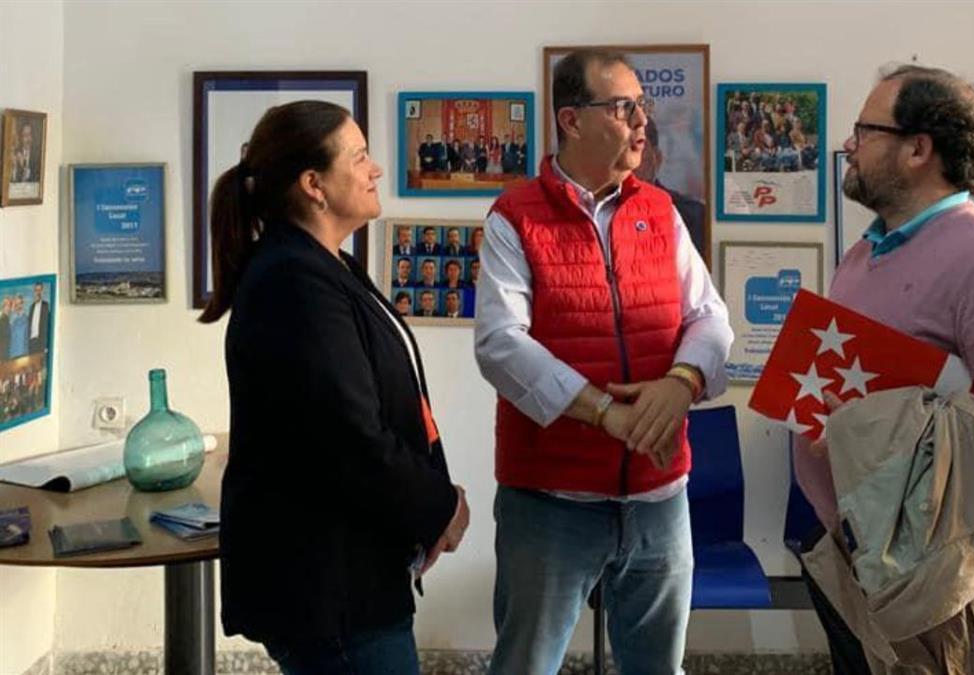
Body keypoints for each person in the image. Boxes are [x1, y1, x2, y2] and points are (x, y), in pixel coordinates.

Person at [791, 65, 974, 673]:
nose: (848, 145)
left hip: (957, 578)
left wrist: (890, 442)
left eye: (864, 131)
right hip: (864, 559)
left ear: (918, 149)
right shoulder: (864, 254)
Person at [475, 48, 733, 675]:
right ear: (571, 120)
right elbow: (501, 344)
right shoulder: (516, 216)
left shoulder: (660, 211)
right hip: (550, 501)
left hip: (659, 496)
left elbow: (709, 316)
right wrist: (602, 413)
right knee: (526, 665)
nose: (643, 121)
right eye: (624, 108)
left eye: (643, 105)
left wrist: (682, 382)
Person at [197, 100, 469, 675]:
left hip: (354, 576)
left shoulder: (326, 266)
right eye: (360, 157)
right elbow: (349, 436)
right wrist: (438, 506)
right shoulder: (293, 282)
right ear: (313, 185)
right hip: (330, 591)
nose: (376, 170)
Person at [634, 116, 707, 262]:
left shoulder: (693, 217)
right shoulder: (594, 214)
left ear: (657, 159)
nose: (628, 163)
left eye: (636, 149)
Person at [26, 282, 49, 354]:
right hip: (31, 342)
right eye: (36, 290)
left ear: (42, 291)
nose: (38, 292)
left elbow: (48, 326)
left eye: (39, 290)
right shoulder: (31, 307)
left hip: (41, 342)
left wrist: (46, 345)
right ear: (34, 292)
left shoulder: (46, 306)